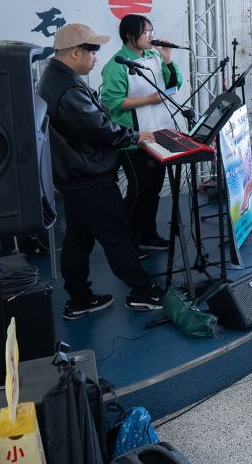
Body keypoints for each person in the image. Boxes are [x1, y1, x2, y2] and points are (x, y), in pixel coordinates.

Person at [36, 23, 164, 320]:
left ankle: (80, 299)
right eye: (92, 51)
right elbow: (99, 129)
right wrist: (136, 136)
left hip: (74, 174)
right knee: (117, 236)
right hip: (88, 175)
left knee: (78, 239)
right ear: (75, 52)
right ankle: (142, 293)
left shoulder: (55, 77)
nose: (95, 57)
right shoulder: (68, 88)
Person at [100, 14, 183, 254]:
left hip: (160, 132)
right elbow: (114, 102)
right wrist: (149, 100)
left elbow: (174, 84)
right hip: (135, 139)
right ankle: (128, 242)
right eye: (146, 32)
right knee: (140, 191)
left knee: (153, 189)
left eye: (151, 31)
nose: (150, 36)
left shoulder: (153, 56)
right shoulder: (116, 65)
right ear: (130, 35)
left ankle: (148, 234)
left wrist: (167, 59)